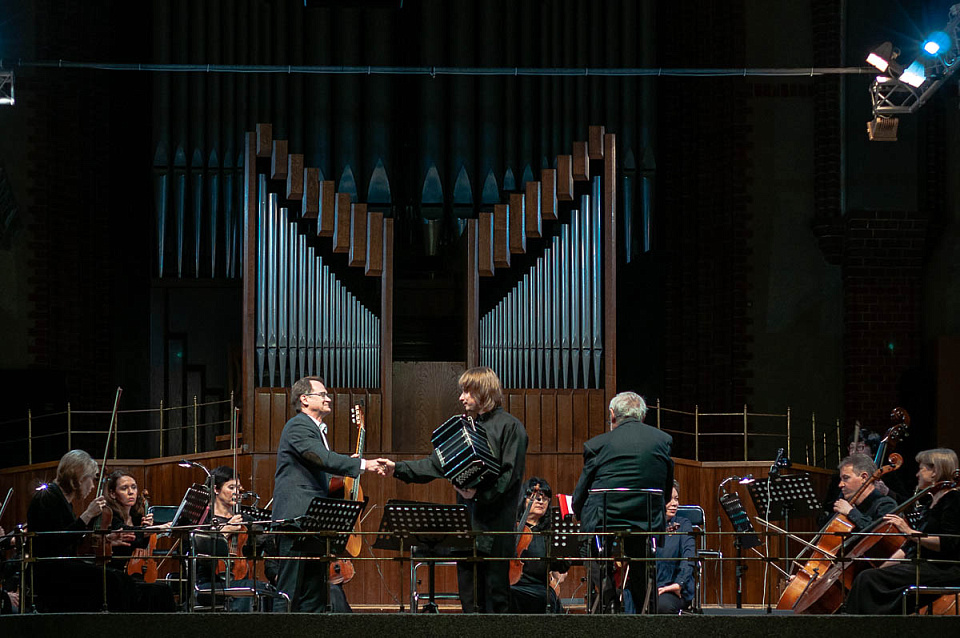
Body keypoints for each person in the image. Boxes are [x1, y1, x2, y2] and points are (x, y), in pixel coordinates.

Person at [379, 366, 529, 613]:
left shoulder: (511, 427)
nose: (461, 397)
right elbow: (434, 464)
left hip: (495, 530)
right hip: (466, 529)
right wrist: (397, 468)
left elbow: (510, 479)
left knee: (496, 601)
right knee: (469, 602)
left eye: (467, 391)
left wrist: (478, 495)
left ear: (484, 391)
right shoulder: (464, 428)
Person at [273, 376, 378, 612]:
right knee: (289, 592)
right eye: (322, 394)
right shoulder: (298, 425)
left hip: (311, 522)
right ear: (304, 399)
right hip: (295, 520)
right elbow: (321, 458)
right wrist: (363, 464)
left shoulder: (315, 429)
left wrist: (344, 469)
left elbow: (319, 468)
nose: (328, 398)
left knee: (314, 596)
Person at [572, 391, 674, 614]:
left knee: (588, 545)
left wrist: (576, 510)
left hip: (605, 517)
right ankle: (644, 609)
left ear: (612, 415)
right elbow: (665, 490)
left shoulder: (597, 444)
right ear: (642, 416)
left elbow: (582, 489)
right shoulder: (662, 441)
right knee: (641, 558)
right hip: (645, 518)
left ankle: (608, 598)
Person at [845, 448, 960, 614]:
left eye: (921, 469)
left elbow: (947, 543)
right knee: (868, 576)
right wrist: (882, 568)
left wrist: (908, 531)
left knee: (869, 580)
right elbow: (907, 549)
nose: (917, 475)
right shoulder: (930, 502)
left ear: (935, 471)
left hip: (944, 569)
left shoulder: (952, 499)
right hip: (923, 566)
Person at [25, 449, 136, 611]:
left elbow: (74, 540)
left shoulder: (62, 500)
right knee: (113, 581)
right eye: (90, 479)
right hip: (50, 571)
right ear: (79, 479)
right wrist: (88, 514)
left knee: (122, 580)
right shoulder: (47, 497)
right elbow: (56, 542)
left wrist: (108, 538)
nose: (92, 486)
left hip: (61, 567)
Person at [191, 465, 281, 611]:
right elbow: (197, 550)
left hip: (241, 580)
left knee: (265, 590)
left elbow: (268, 548)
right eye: (231, 487)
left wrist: (275, 573)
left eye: (238, 488)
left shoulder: (246, 520)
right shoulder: (203, 519)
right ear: (216, 489)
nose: (237, 492)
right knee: (248, 591)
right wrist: (225, 531)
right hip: (209, 583)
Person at [102, 469, 176, 611]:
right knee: (160, 590)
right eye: (124, 488)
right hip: (114, 574)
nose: (131, 492)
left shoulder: (136, 517)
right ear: (112, 493)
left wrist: (145, 528)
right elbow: (128, 534)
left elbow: (140, 544)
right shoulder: (110, 515)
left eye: (134, 487)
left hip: (130, 575)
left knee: (162, 589)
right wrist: (156, 529)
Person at [509, 477, 569, 613]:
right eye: (535, 497)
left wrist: (562, 557)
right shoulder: (512, 528)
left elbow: (561, 567)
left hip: (539, 587)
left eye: (545, 498)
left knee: (547, 598)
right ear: (524, 500)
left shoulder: (548, 533)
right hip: (513, 585)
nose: (541, 501)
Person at [653, 480, 696, 614]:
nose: (674, 503)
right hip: (651, 586)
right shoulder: (648, 526)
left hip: (674, 588)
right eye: (669, 499)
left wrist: (678, 584)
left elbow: (689, 556)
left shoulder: (683, 525)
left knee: (662, 606)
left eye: (676, 499)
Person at [830, 454, 897, 532]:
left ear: (864, 477)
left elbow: (880, 534)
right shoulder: (851, 506)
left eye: (846, 478)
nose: (840, 484)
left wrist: (851, 512)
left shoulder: (886, 504)